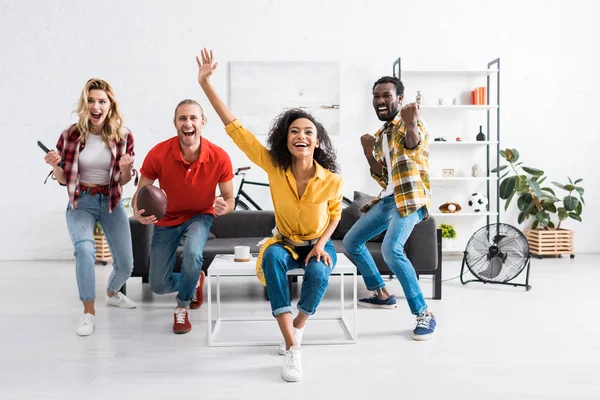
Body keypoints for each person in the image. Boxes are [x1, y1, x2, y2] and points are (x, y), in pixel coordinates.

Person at [197, 48, 343, 382]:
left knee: (319, 274)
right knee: (274, 260)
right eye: (294, 131)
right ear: (286, 139)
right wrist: (206, 85)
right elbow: (237, 131)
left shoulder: (332, 180)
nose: (300, 136)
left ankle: (298, 326)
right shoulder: (274, 167)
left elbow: (335, 216)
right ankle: (292, 348)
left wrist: (321, 245)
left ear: (317, 141)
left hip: (317, 242)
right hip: (284, 242)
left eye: (308, 131)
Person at [342, 76, 437, 341]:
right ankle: (381, 293)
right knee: (351, 242)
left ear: (399, 99)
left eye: (386, 95)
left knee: (391, 249)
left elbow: (413, 147)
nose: (381, 101)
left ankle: (425, 314)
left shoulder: (413, 123)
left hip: (410, 200)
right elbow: (383, 175)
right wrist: (367, 152)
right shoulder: (382, 133)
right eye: (376, 96)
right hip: (388, 198)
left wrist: (409, 123)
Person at [43, 78, 138, 337]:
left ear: (110, 106)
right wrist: (55, 164)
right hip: (81, 201)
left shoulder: (124, 135)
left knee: (127, 265)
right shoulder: (70, 135)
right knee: (85, 250)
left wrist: (127, 166)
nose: (96, 106)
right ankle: (88, 312)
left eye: (102, 101)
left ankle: (111, 292)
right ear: (85, 105)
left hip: (111, 201)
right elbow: (63, 179)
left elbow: (124, 180)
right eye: (91, 101)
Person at [133, 98, 235, 335]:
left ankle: (182, 307)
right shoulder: (158, 154)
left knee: (192, 254)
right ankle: (194, 280)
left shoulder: (219, 156)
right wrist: (138, 212)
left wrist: (224, 207)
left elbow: (230, 199)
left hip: (200, 215)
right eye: (182, 118)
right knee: (157, 285)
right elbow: (141, 193)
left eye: (193, 118)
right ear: (175, 123)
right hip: (166, 220)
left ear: (203, 122)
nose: (188, 123)